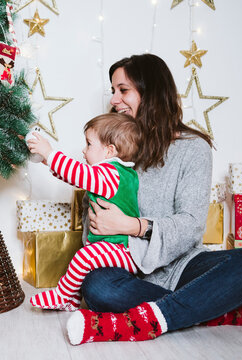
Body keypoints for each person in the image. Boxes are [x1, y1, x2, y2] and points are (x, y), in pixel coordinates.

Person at [63, 53, 242, 345]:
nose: (114, 100)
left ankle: (147, 320)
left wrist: (134, 226)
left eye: (123, 90)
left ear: (151, 93)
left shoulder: (193, 149)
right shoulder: (111, 150)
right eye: (113, 91)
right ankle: (215, 311)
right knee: (98, 289)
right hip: (126, 268)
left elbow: (191, 224)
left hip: (184, 266)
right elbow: (95, 225)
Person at [27, 113, 142, 311]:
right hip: (119, 249)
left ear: (109, 151)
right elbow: (79, 178)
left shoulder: (110, 173)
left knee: (85, 256)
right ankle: (72, 300)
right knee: (87, 259)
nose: (84, 149)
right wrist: (50, 163)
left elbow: (80, 174)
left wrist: (50, 153)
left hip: (122, 250)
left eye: (89, 144)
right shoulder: (122, 174)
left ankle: (63, 295)